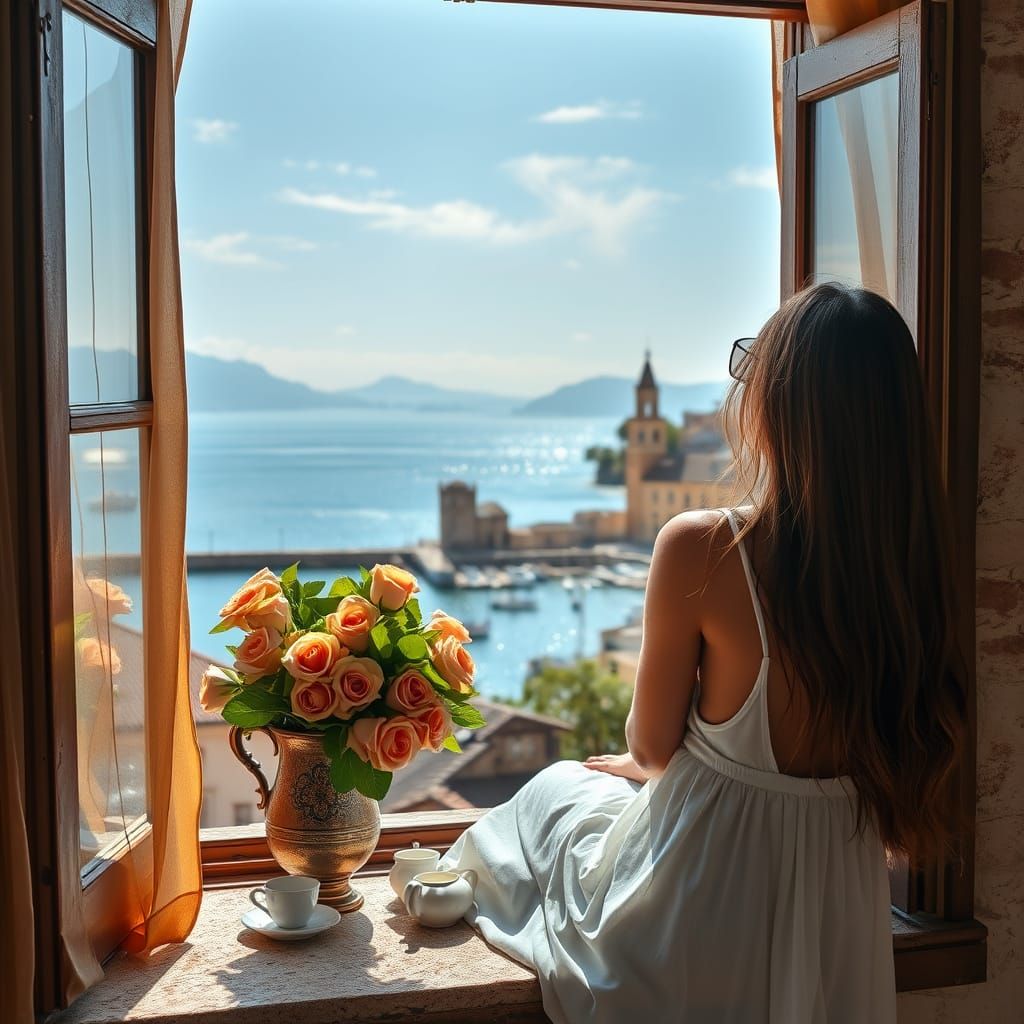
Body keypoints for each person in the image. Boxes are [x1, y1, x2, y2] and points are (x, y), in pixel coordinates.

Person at [439, 283, 968, 1024]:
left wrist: (675, 760)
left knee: (556, 791)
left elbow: (650, 748)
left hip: (705, 894)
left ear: (781, 406)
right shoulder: (917, 566)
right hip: (837, 897)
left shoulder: (705, 549)